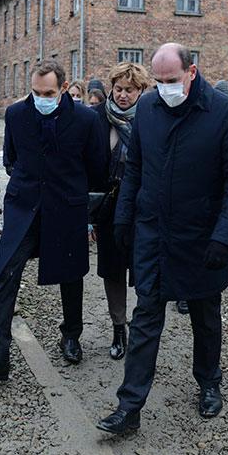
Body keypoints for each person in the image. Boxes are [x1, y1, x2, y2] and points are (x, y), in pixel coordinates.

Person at [97, 43, 228, 433]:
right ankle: (129, 407)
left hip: (202, 236)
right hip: (154, 233)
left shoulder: (223, 112)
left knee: (205, 317)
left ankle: (208, 382)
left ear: (192, 72)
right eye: (160, 81)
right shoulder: (148, 109)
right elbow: (136, 168)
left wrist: (226, 236)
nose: (165, 88)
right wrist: (124, 217)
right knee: (146, 316)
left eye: (172, 81)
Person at [0, 61, 108, 381]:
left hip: (66, 207)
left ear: (63, 88)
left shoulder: (85, 119)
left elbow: (97, 169)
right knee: (5, 271)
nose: (41, 97)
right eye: (36, 91)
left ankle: (71, 336)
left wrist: (70, 192)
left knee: (70, 274)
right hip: (24, 206)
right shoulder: (16, 115)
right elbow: (11, 159)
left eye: (49, 92)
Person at [92, 62, 151, 360]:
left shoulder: (152, 118)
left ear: (141, 91)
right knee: (113, 270)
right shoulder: (98, 119)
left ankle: (143, 328)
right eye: (118, 89)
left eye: (130, 90)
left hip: (142, 207)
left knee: (143, 269)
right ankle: (118, 327)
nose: (123, 95)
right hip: (109, 207)